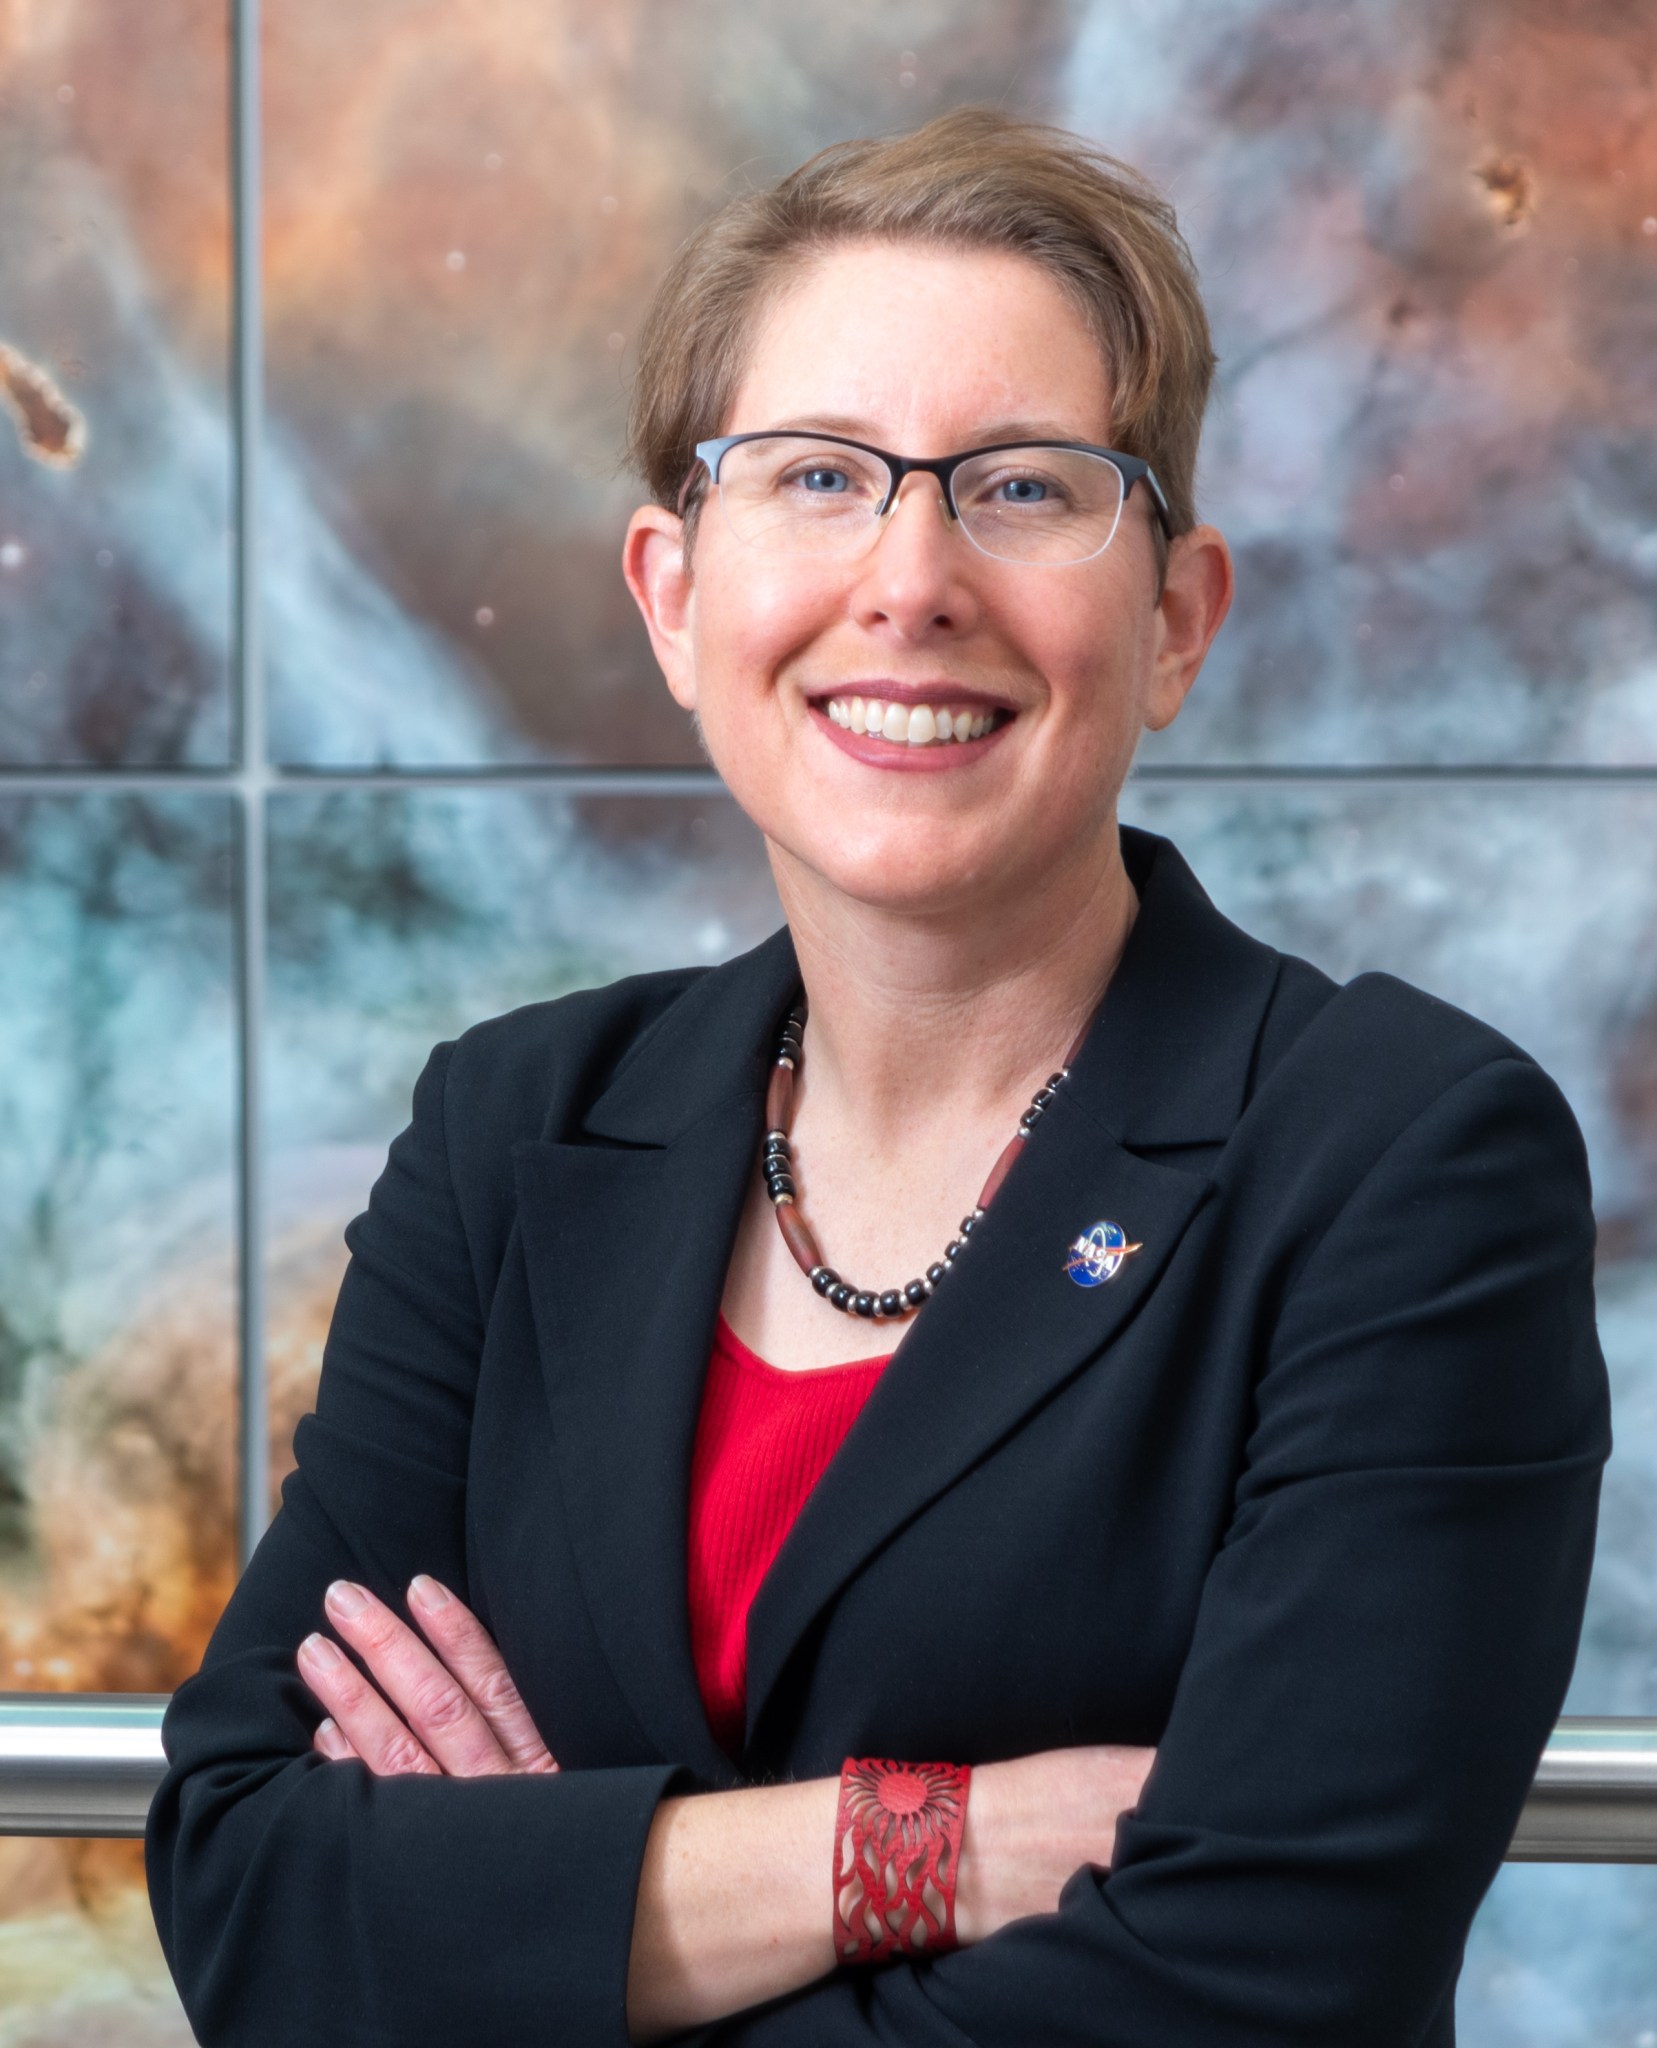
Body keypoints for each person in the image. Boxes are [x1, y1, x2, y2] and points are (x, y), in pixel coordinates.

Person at [145, 107, 1611, 2047]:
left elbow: (1247, 1998)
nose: (909, 579)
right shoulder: (511, 1136)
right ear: (673, 595)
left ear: (1174, 620)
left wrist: (526, 1932)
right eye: (817, 476)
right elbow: (256, 1893)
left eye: (1019, 488)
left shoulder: (1398, 1163)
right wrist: (907, 1849)